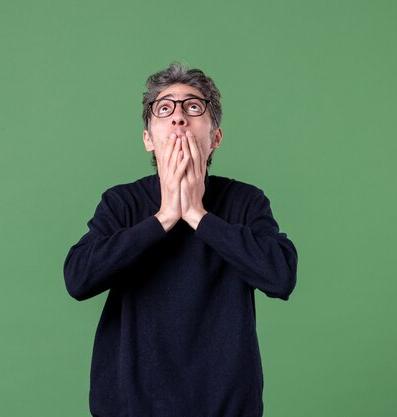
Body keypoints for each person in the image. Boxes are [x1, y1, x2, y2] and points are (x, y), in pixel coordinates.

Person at [63, 63, 298, 417]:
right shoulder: (121, 202)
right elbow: (78, 279)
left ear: (215, 136)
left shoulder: (245, 201)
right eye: (164, 108)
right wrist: (165, 217)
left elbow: (280, 276)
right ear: (148, 139)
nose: (178, 118)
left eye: (193, 107)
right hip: (131, 406)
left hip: (224, 407)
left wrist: (196, 215)